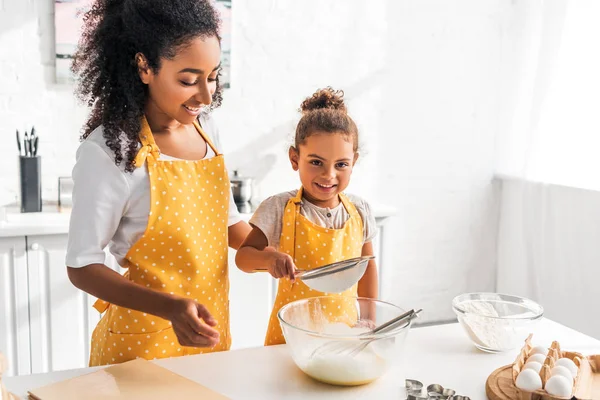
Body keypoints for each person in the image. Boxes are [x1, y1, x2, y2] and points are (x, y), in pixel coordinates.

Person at [65, 0, 251, 366]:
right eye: (188, 79)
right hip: (139, 350)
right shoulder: (109, 151)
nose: (207, 95)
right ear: (145, 67)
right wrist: (169, 307)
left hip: (209, 342)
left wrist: (274, 249)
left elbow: (227, 221)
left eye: (213, 76)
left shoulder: (207, 131)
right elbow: (81, 265)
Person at [235, 87, 378, 345]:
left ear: (353, 162)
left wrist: (368, 321)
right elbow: (243, 259)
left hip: (343, 336)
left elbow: (366, 268)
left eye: (341, 164)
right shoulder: (278, 207)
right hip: (289, 339)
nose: (329, 175)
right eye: (316, 162)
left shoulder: (360, 210)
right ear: (294, 158)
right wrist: (268, 258)